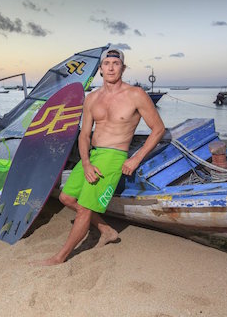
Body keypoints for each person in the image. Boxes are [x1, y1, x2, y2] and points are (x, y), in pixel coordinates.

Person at [34, 48, 165, 266]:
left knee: (85, 208)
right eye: (107, 63)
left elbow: (158, 129)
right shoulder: (92, 98)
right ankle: (106, 230)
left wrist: (135, 158)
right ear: (100, 69)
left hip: (114, 157)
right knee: (67, 198)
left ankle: (60, 257)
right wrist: (85, 162)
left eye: (116, 63)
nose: (111, 67)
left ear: (122, 68)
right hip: (93, 155)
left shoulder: (136, 94)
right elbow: (84, 135)